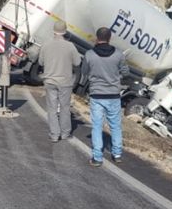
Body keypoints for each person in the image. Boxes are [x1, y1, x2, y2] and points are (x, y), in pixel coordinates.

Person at [81, 26, 129, 166]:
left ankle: (97, 157)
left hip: (96, 94)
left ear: (97, 38)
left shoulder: (89, 54)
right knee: (115, 126)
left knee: (97, 126)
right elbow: (125, 73)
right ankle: (117, 154)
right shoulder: (119, 54)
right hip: (113, 94)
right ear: (109, 38)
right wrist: (116, 77)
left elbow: (84, 71)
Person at [38, 20, 81, 143]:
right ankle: (65, 133)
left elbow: (41, 62)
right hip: (65, 82)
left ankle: (54, 134)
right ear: (65, 31)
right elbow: (77, 63)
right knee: (65, 108)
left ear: (53, 30)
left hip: (50, 81)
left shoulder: (46, 45)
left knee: (52, 109)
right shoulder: (70, 46)